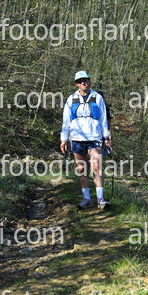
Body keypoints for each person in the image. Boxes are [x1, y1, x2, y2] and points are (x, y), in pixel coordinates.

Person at [60, 71, 112, 209]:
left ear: (89, 81)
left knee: (96, 166)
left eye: (85, 80)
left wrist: (107, 138)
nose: (83, 83)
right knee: (82, 169)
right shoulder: (71, 99)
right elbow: (66, 121)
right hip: (77, 138)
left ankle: (100, 199)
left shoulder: (97, 97)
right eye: (80, 81)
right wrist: (64, 139)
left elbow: (103, 118)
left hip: (94, 137)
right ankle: (86, 198)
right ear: (76, 84)